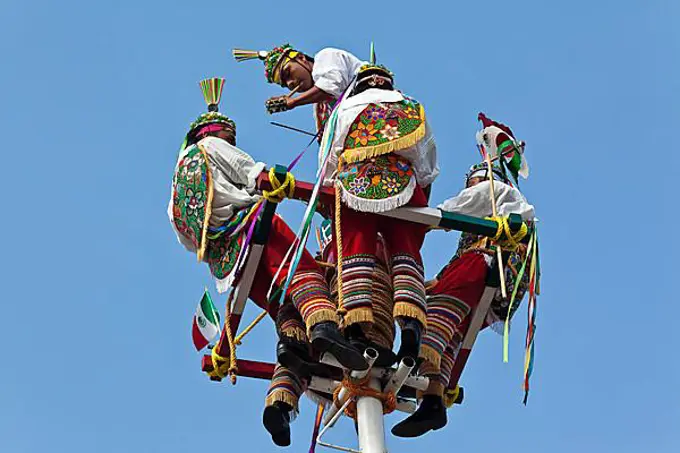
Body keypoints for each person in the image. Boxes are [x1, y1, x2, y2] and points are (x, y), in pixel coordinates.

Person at [168, 78, 368, 373]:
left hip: (226, 258)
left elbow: (185, 237)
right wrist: (269, 178)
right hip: (253, 226)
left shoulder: (180, 175)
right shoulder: (212, 145)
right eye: (229, 136)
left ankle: (293, 346)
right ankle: (325, 327)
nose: (231, 141)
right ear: (213, 132)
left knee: (280, 297)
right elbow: (245, 169)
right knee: (303, 272)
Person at [391, 114, 536, 438]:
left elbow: (456, 208)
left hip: (487, 264)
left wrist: (414, 217)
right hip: (497, 284)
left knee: (435, 311)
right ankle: (433, 399)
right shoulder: (505, 199)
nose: (471, 186)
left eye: (472, 181)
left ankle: (410, 361)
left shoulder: (494, 189)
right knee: (453, 333)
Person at [322, 62, 439, 362]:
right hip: (401, 185)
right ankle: (411, 326)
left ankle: (357, 328)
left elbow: (329, 162)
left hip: (355, 186)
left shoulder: (344, 110)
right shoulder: (410, 107)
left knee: (355, 248)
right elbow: (426, 164)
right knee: (405, 251)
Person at [233, 43, 364, 135]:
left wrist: (294, 102)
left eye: (288, 74)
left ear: (301, 58)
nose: (290, 84)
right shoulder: (319, 106)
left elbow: (330, 85)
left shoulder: (326, 56)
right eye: (284, 84)